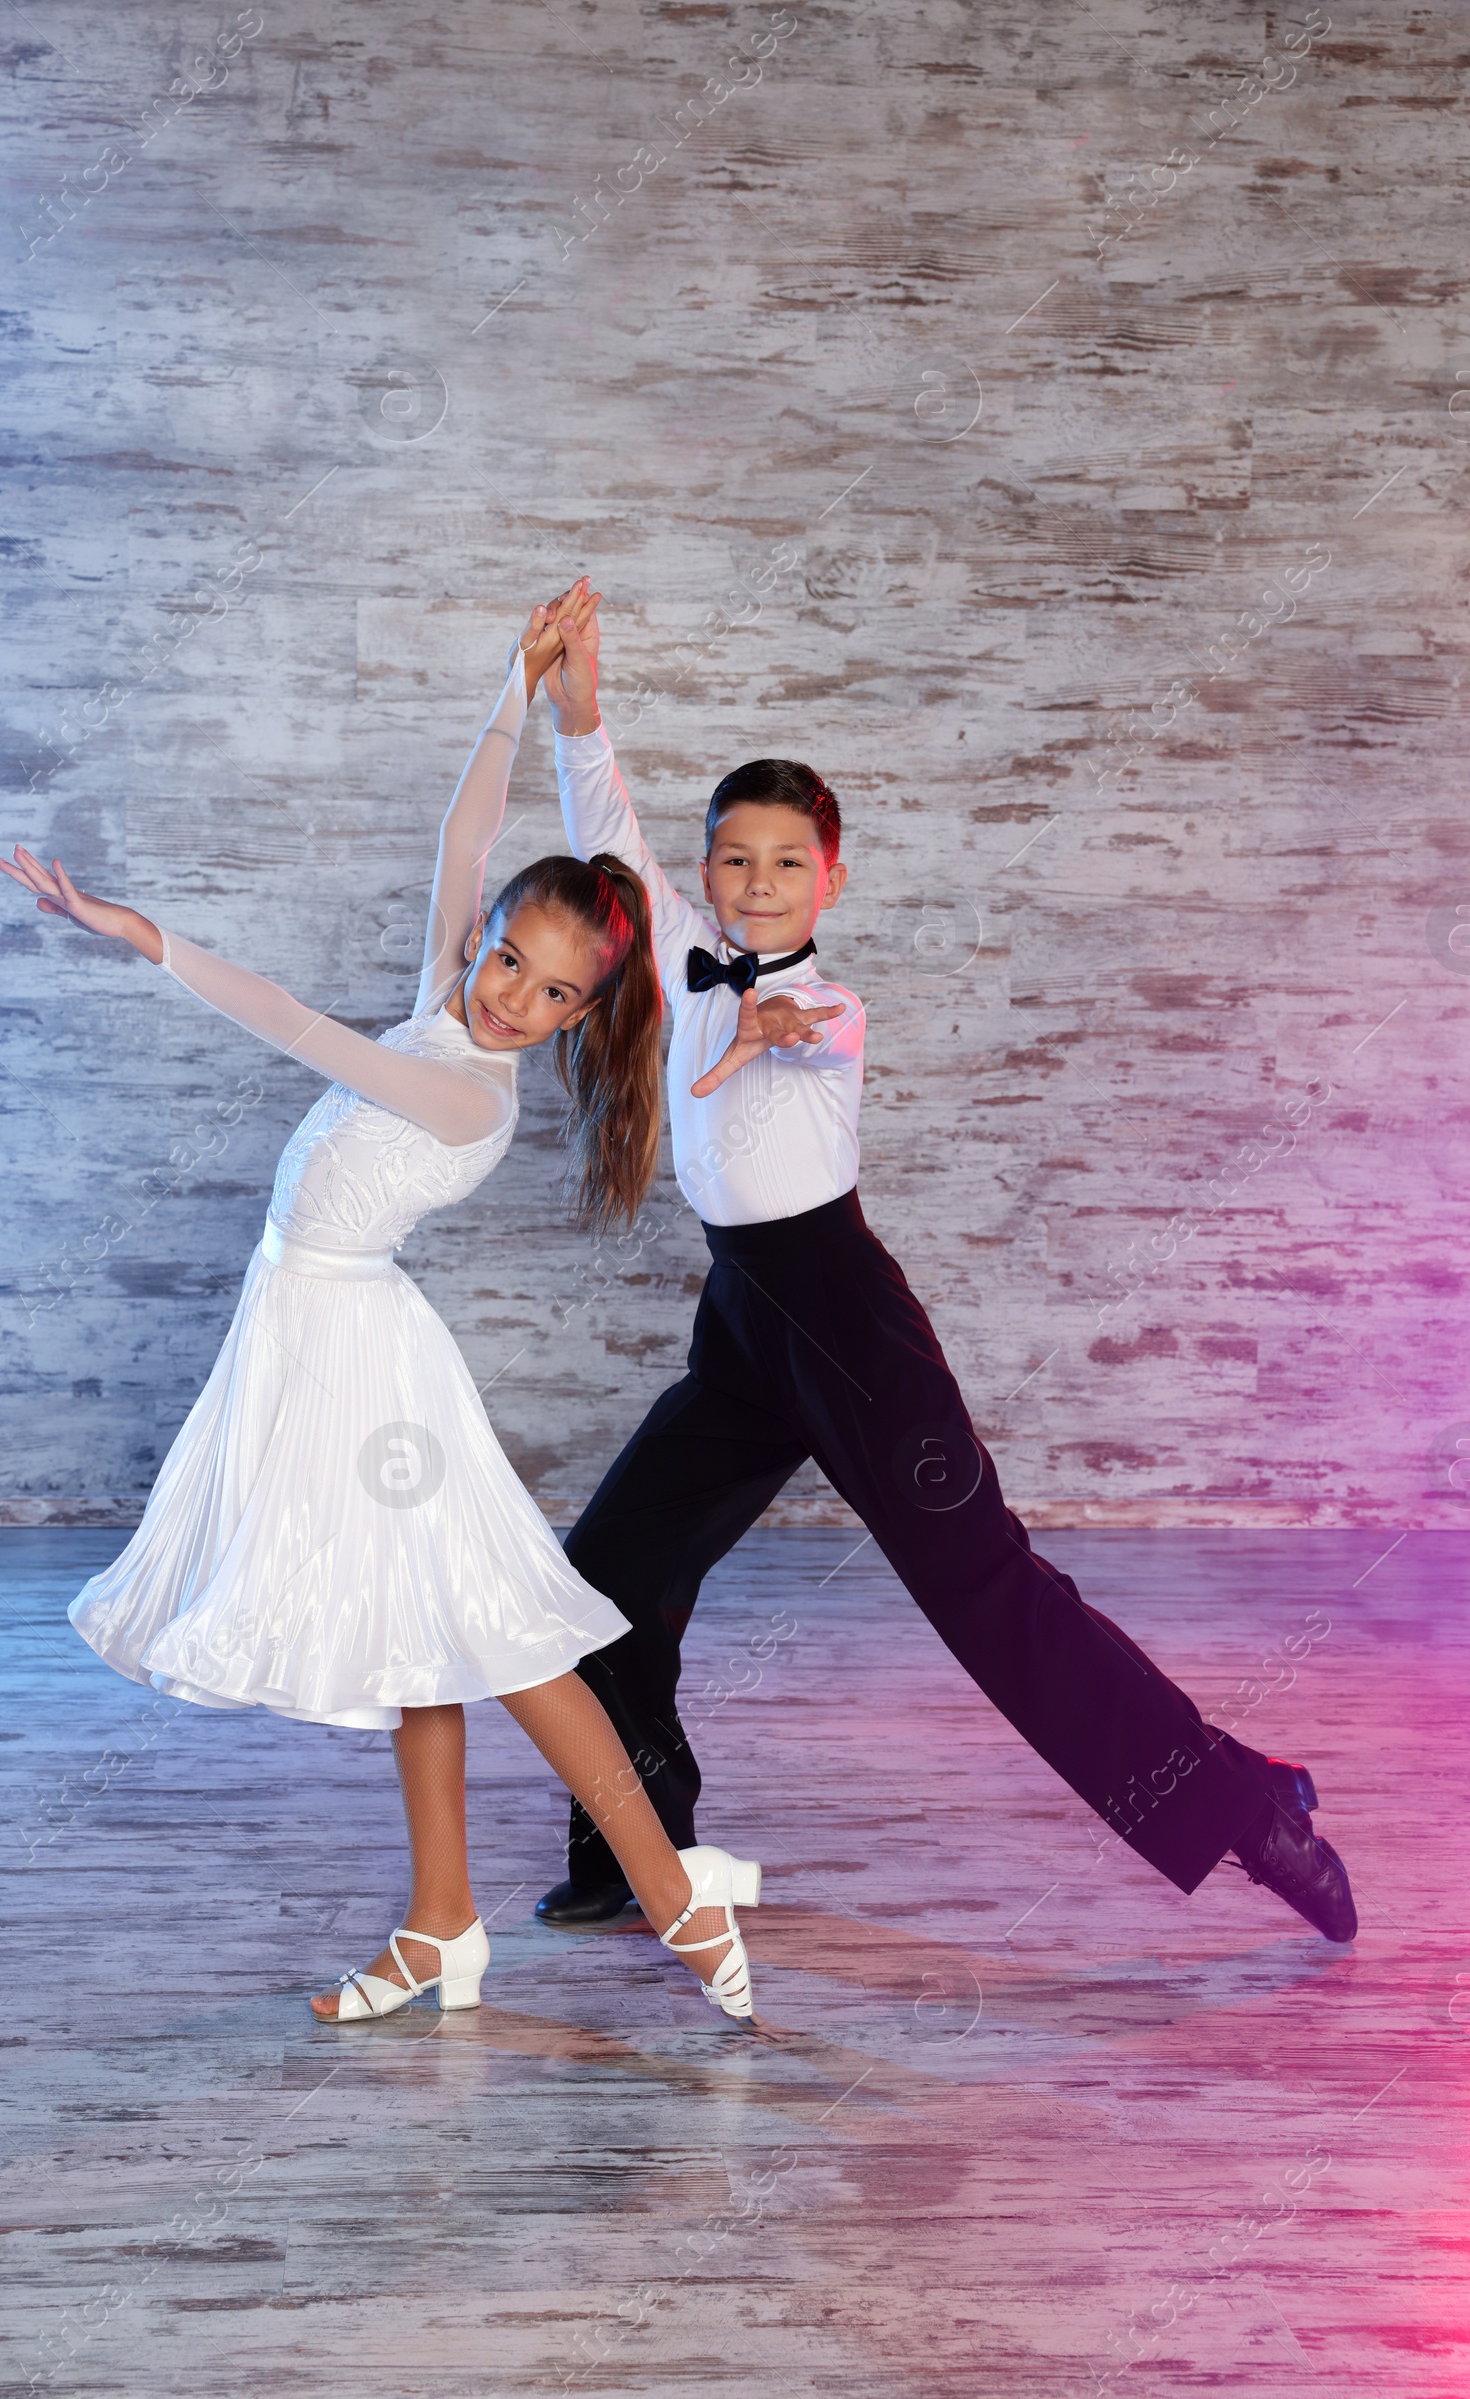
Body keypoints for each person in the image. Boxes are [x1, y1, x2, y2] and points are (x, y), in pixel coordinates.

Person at [527, 589, 1357, 1946]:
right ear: (708, 869)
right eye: (733, 862)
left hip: (847, 1321)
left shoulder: (831, 1005)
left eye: (787, 866)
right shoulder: (682, 965)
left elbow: (798, 1023)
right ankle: (639, 1843)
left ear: (830, 882)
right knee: (606, 1570)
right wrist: (581, 707)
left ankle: (1245, 1805)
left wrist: (766, 1024)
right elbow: (602, 835)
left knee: (989, 1593)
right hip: (746, 1320)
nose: (754, 886)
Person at [0, 587, 761, 2026]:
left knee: (502, 1638)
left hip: (364, 1371)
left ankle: (672, 1896)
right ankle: (440, 1922)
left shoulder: (458, 1089)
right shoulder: (448, 1002)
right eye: (501, 960)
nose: (507, 995)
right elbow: (461, 846)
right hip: (312, 1338)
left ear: (583, 1020)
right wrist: (511, 694)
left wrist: (138, 934)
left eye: (546, 994)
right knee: (427, 1642)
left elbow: (291, 1024)